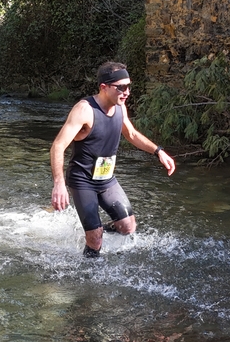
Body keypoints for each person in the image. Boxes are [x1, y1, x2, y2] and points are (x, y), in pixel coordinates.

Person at [50, 62, 176, 257]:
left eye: (129, 86)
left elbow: (131, 134)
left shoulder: (120, 107)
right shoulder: (84, 110)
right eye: (121, 87)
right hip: (83, 180)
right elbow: (58, 146)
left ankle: (95, 230)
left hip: (106, 179)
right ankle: (90, 259)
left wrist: (158, 151)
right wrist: (59, 184)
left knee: (128, 227)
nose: (127, 92)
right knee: (95, 239)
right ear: (104, 87)